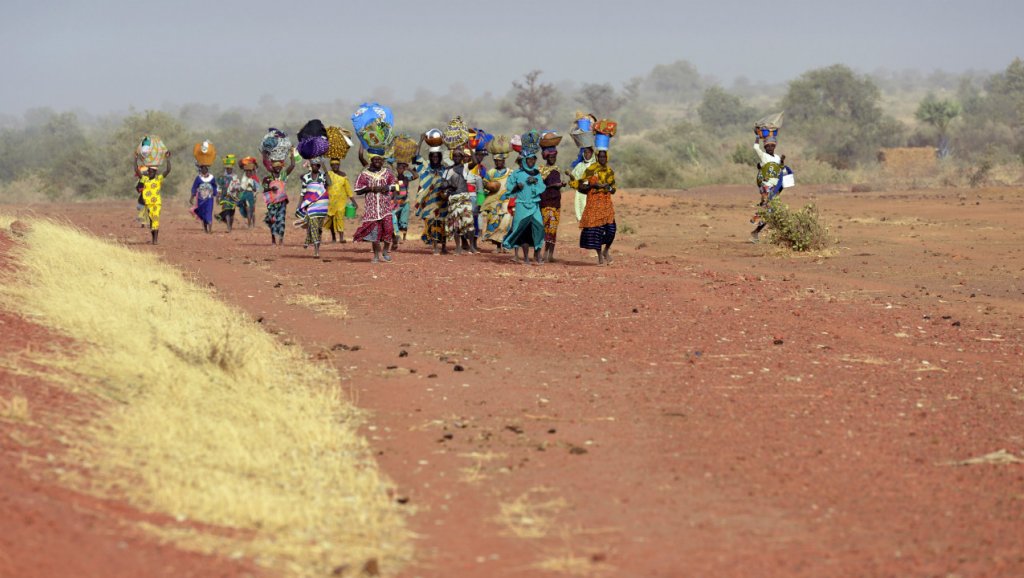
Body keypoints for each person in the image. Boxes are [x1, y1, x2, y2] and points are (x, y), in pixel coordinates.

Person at [501, 150, 545, 264]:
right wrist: (517, 187)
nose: (531, 161)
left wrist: (535, 181)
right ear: (524, 161)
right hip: (521, 205)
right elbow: (509, 188)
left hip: (534, 205)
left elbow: (542, 187)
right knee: (523, 230)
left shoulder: (537, 173)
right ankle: (525, 258)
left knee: (539, 228)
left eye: (533, 159)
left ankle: (537, 253)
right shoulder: (516, 174)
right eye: (529, 159)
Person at [353, 151, 397, 263]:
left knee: (389, 229)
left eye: (380, 160)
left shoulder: (387, 172)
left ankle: (386, 251)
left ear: (383, 161)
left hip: (385, 207)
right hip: (371, 209)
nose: (378, 161)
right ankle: (376, 256)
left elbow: (396, 185)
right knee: (374, 233)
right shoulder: (365, 174)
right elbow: (358, 190)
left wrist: (387, 187)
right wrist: (371, 188)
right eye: (375, 159)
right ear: (371, 160)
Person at [578, 149, 617, 265]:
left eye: (604, 157)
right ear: (597, 158)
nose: (602, 159)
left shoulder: (609, 171)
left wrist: (608, 188)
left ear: (607, 158)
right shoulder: (590, 170)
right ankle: (600, 255)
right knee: (596, 232)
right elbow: (581, 187)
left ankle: (606, 251)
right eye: (600, 157)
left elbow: (613, 189)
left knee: (612, 230)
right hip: (594, 205)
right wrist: (592, 185)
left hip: (606, 205)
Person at [412, 140, 449, 254]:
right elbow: (416, 157)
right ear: (430, 156)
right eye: (433, 156)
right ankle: (435, 247)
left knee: (442, 223)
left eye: (437, 156)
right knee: (432, 222)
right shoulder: (425, 167)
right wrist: (421, 140)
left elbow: (452, 157)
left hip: (442, 200)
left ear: (440, 157)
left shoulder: (445, 169)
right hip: (428, 201)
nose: (435, 158)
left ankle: (443, 246)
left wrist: (446, 143)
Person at [750, 132, 785, 243]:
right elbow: (756, 147)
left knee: (771, 212)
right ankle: (756, 230)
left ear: (775, 146)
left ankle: (756, 231)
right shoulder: (764, 156)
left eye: (772, 146)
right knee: (770, 209)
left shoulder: (777, 158)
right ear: (765, 147)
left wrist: (782, 162)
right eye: (767, 146)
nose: (770, 148)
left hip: (774, 188)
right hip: (765, 186)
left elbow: (779, 170)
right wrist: (757, 135)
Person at [443, 148, 478, 255]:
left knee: (469, 222)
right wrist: (449, 184)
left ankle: (471, 246)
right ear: (452, 157)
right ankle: (458, 247)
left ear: (463, 158)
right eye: (455, 156)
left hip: (464, 197)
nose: (457, 158)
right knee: (456, 224)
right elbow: (442, 184)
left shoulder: (466, 167)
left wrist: (470, 147)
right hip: (453, 199)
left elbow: (475, 162)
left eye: (459, 156)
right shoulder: (448, 170)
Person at [297, 157, 332, 258]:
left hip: (322, 205)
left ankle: (310, 240)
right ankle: (316, 251)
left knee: (318, 228)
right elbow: (303, 192)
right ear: (311, 166)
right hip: (311, 205)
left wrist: (325, 167)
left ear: (319, 166)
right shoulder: (306, 177)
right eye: (313, 165)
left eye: (317, 165)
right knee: (314, 226)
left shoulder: (323, 176)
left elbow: (329, 183)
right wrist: (299, 206)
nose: (314, 167)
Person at [134, 153, 172, 245]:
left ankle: (155, 241)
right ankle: (153, 239)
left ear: (155, 173)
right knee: (151, 222)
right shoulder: (144, 179)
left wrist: (167, 159)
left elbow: (168, 170)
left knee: (155, 219)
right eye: (149, 171)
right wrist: (135, 159)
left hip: (156, 204)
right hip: (148, 204)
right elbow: (136, 170)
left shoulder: (158, 179)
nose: (150, 172)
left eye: (152, 171)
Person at [538, 146, 566, 262]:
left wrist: (561, 184)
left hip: (555, 202)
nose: (552, 159)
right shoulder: (542, 170)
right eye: (550, 157)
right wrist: (555, 185)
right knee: (547, 228)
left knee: (553, 229)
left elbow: (557, 184)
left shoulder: (557, 170)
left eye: (554, 157)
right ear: (546, 157)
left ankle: (550, 255)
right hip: (545, 201)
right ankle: (545, 253)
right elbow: (541, 187)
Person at [262, 154, 296, 246]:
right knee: (272, 220)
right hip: (271, 202)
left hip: (282, 202)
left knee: (281, 220)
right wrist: (271, 189)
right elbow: (264, 190)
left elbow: (292, 165)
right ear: (272, 167)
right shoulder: (267, 178)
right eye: (276, 166)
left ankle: (281, 239)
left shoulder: (283, 176)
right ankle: (273, 239)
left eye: (279, 166)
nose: (278, 168)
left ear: (281, 167)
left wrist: (292, 153)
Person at [482, 152, 513, 251]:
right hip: (494, 202)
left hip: (506, 202)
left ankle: (505, 245)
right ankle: (498, 246)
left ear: (504, 161)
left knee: (506, 223)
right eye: (496, 161)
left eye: (500, 160)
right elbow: (485, 184)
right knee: (495, 223)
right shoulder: (491, 172)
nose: (498, 162)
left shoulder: (510, 172)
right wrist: (490, 187)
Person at [323, 157, 354, 243]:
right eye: (333, 165)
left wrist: (353, 201)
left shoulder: (343, 175)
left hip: (341, 201)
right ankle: (333, 237)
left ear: (339, 165)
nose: (335, 166)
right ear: (331, 166)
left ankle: (341, 237)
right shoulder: (328, 174)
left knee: (340, 218)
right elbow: (324, 186)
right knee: (331, 220)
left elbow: (348, 189)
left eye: (336, 164)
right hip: (330, 201)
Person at [391, 159, 416, 247]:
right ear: (397, 168)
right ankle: (396, 237)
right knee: (394, 220)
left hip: (405, 202)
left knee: (403, 221)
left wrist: (409, 169)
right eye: (399, 167)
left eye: (403, 168)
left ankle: (401, 237)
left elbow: (416, 176)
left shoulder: (406, 177)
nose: (401, 169)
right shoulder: (393, 178)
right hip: (395, 202)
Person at [569, 146, 596, 221]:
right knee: (582, 216)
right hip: (580, 193)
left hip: (592, 192)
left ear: (592, 153)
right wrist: (571, 177)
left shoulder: (596, 166)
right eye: (585, 152)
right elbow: (573, 180)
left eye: (589, 152)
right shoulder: (579, 165)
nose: (587, 154)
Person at [216, 155, 241, 232]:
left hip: (233, 197)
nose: (229, 169)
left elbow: (238, 187)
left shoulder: (235, 177)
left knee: (232, 212)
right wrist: (218, 196)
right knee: (226, 210)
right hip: (225, 196)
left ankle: (229, 226)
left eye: (230, 168)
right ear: (226, 169)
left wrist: (237, 193)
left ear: (232, 169)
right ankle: (228, 228)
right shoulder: (222, 177)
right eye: (227, 168)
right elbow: (219, 187)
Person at [190, 164, 218, 233]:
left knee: (209, 212)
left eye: (205, 168)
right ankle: (205, 229)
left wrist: (216, 195)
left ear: (207, 169)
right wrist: (192, 197)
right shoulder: (198, 178)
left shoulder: (212, 177)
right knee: (203, 213)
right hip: (201, 199)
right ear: (201, 170)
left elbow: (214, 187)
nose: (204, 170)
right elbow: (194, 187)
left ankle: (210, 230)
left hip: (209, 199)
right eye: (202, 169)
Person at [237, 156, 260, 228]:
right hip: (245, 193)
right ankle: (251, 225)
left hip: (252, 193)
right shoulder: (246, 173)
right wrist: (244, 161)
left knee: (252, 210)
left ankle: (252, 225)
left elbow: (256, 189)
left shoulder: (253, 173)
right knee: (249, 209)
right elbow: (240, 164)